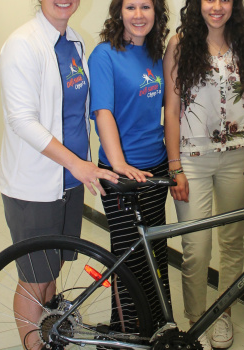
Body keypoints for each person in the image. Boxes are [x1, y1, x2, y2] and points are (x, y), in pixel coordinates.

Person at [0, 0, 119, 348]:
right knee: (34, 279)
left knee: (51, 271)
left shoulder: (74, 42)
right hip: (34, 187)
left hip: (68, 182)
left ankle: (47, 337)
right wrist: (75, 163)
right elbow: (21, 120)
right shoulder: (23, 44)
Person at [163, 0, 244, 348]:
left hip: (239, 155)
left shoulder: (242, 41)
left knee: (232, 241)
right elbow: (172, 108)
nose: (217, 6)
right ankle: (197, 321)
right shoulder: (179, 44)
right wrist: (175, 166)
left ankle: (224, 315)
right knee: (196, 246)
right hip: (193, 157)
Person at [88, 0, 171, 334]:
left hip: (155, 169)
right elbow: (102, 111)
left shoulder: (154, 53)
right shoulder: (104, 54)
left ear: (156, 13)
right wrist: (120, 163)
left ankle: (153, 329)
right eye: (131, 6)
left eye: (146, 7)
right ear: (118, 12)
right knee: (128, 260)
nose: (139, 15)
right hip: (122, 176)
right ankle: (126, 332)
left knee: (155, 256)